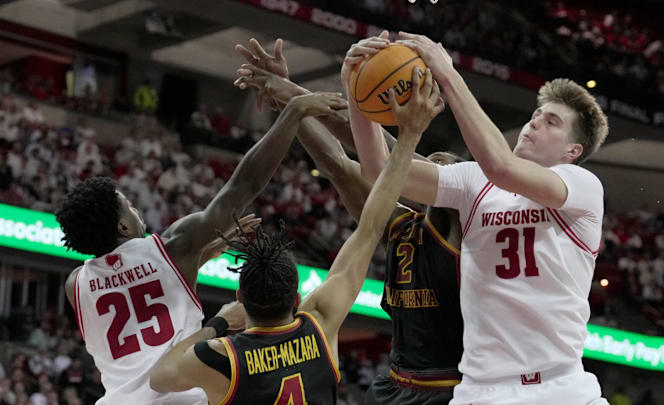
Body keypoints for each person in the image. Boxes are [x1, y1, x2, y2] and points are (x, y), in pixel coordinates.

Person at [147, 65, 444, 405]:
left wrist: (218, 323)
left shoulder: (219, 356)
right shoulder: (320, 323)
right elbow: (370, 226)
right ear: (298, 299)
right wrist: (407, 139)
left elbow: (159, 377)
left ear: (241, 299)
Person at [346, 32, 610, 405]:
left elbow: (501, 165)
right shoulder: (474, 181)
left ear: (573, 150)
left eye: (551, 122)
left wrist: (449, 76)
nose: (534, 124)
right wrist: (355, 89)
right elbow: (379, 170)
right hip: (481, 391)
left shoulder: (582, 187)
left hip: (560, 388)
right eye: (535, 116)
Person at [56, 91, 347, 405]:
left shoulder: (76, 285)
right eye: (129, 207)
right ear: (123, 227)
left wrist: (205, 252)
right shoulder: (174, 246)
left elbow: (132, 290)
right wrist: (292, 113)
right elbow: (243, 185)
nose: (137, 210)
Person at [233, 35, 465, 404]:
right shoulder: (401, 227)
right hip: (395, 381)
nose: (432, 168)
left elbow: (392, 154)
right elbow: (337, 165)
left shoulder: (461, 230)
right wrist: (293, 104)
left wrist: (293, 92)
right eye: (431, 160)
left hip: (447, 387)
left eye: (442, 165)